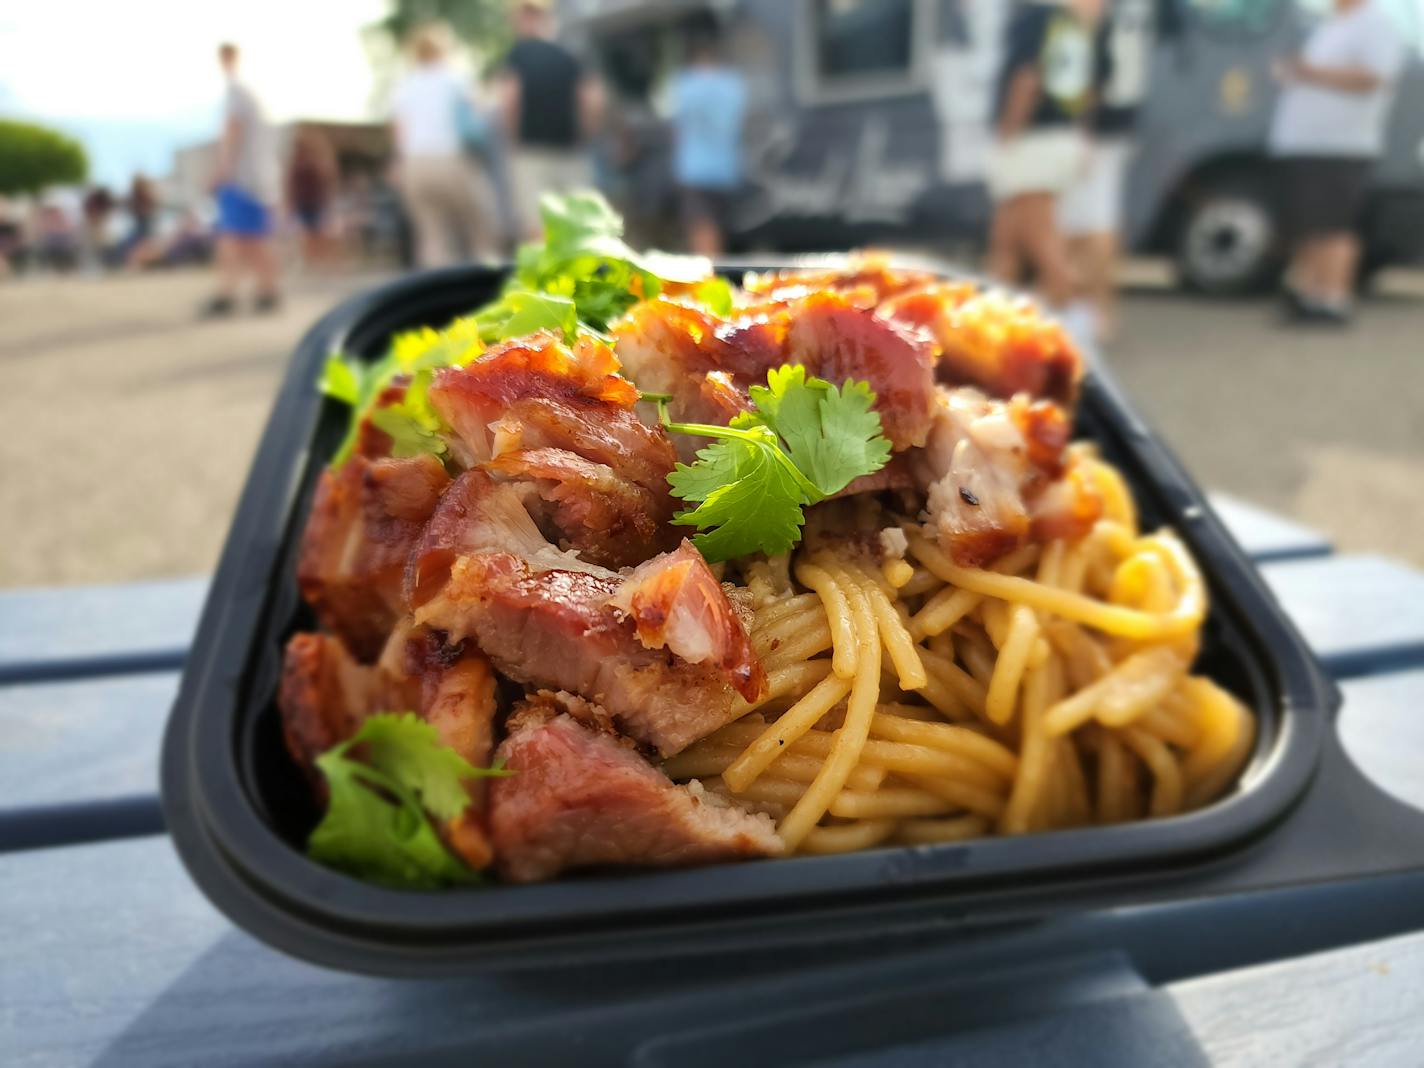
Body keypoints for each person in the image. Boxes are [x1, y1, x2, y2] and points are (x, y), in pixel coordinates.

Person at [1269, 0, 1407, 326]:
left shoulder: (1374, 23)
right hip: (1308, 143)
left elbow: (1375, 76)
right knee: (1312, 224)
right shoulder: (1333, 23)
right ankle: (1309, 293)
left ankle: (1333, 298)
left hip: (1341, 143)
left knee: (1335, 225)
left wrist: (1310, 72)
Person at [1060, 0, 1181, 342]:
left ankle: (1091, 310)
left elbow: (1091, 68)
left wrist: (1081, 126)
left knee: (1086, 221)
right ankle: (1095, 309)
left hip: (1096, 122)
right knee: (1094, 219)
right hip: (1122, 113)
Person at [985, 0, 1103, 313]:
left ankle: (1072, 324)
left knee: (1040, 242)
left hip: (1033, 140)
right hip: (1062, 136)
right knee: (1007, 237)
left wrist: (1009, 127)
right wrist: (1082, 136)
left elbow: (1027, 77)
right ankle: (997, 320)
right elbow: (1089, 90)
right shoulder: (1071, 24)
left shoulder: (1036, 18)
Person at [391, 23, 499, 268]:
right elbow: (479, 116)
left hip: (415, 164)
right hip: (451, 158)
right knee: (479, 224)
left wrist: (399, 165)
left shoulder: (405, 85)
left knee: (432, 236)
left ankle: (438, 294)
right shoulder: (455, 79)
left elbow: (400, 132)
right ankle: (485, 283)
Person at [495, 0, 602, 238]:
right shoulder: (569, 55)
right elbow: (593, 99)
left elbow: (510, 98)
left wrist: (512, 138)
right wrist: (585, 133)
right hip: (571, 149)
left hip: (531, 150)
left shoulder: (518, 54)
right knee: (580, 223)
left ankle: (549, 274)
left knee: (538, 224)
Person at [204, 42, 282, 315]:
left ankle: (226, 293)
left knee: (231, 237)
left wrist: (220, 171)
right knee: (252, 239)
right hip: (259, 179)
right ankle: (267, 291)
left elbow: (232, 132)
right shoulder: (252, 93)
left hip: (242, 179)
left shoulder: (235, 92)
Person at [670, 30, 748, 257]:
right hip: (726, 170)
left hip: (695, 171)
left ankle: (708, 282)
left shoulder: (685, 85)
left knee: (701, 230)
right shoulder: (732, 84)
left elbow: (677, 126)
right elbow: (739, 124)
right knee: (722, 231)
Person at [286, 128, 340, 269]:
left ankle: (318, 262)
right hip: (304, 203)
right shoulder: (296, 163)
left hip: (315, 203)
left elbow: (328, 182)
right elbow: (291, 185)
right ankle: (312, 262)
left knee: (317, 233)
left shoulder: (319, 162)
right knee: (308, 234)